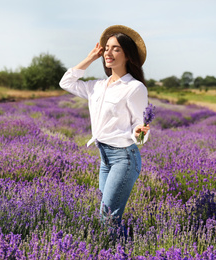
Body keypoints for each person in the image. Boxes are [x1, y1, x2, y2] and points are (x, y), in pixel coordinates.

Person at [59, 25, 150, 234]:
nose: (108, 53)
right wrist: (91, 57)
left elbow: (141, 128)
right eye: (106, 48)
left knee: (107, 218)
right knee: (105, 216)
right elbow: (66, 82)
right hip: (105, 159)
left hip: (124, 159)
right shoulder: (97, 86)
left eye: (116, 49)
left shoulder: (135, 88)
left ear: (128, 55)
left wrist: (140, 134)